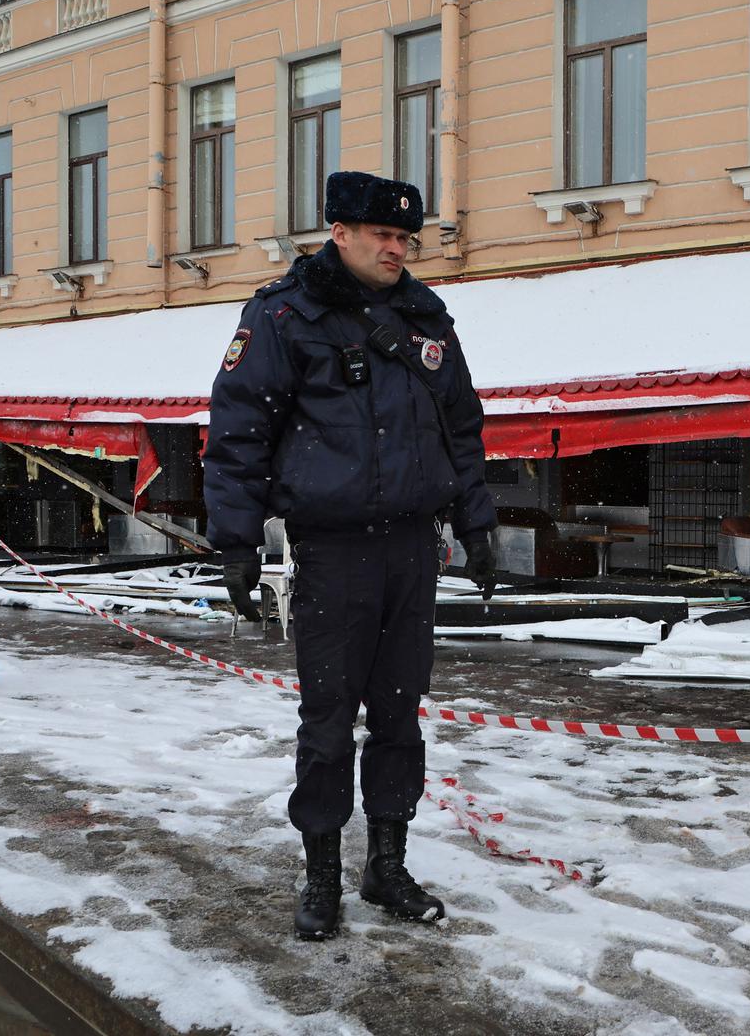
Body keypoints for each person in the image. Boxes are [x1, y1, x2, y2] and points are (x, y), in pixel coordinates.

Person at [202, 171, 498, 940]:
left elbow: (460, 426)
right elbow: (239, 432)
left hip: (410, 549)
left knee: (399, 716)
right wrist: (235, 540)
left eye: (406, 238)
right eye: (383, 236)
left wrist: (478, 526)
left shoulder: (426, 317)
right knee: (328, 720)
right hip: (332, 551)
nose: (397, 249)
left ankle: (386, 867)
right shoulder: (283, 315)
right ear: (340, 232)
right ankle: (322, 876)